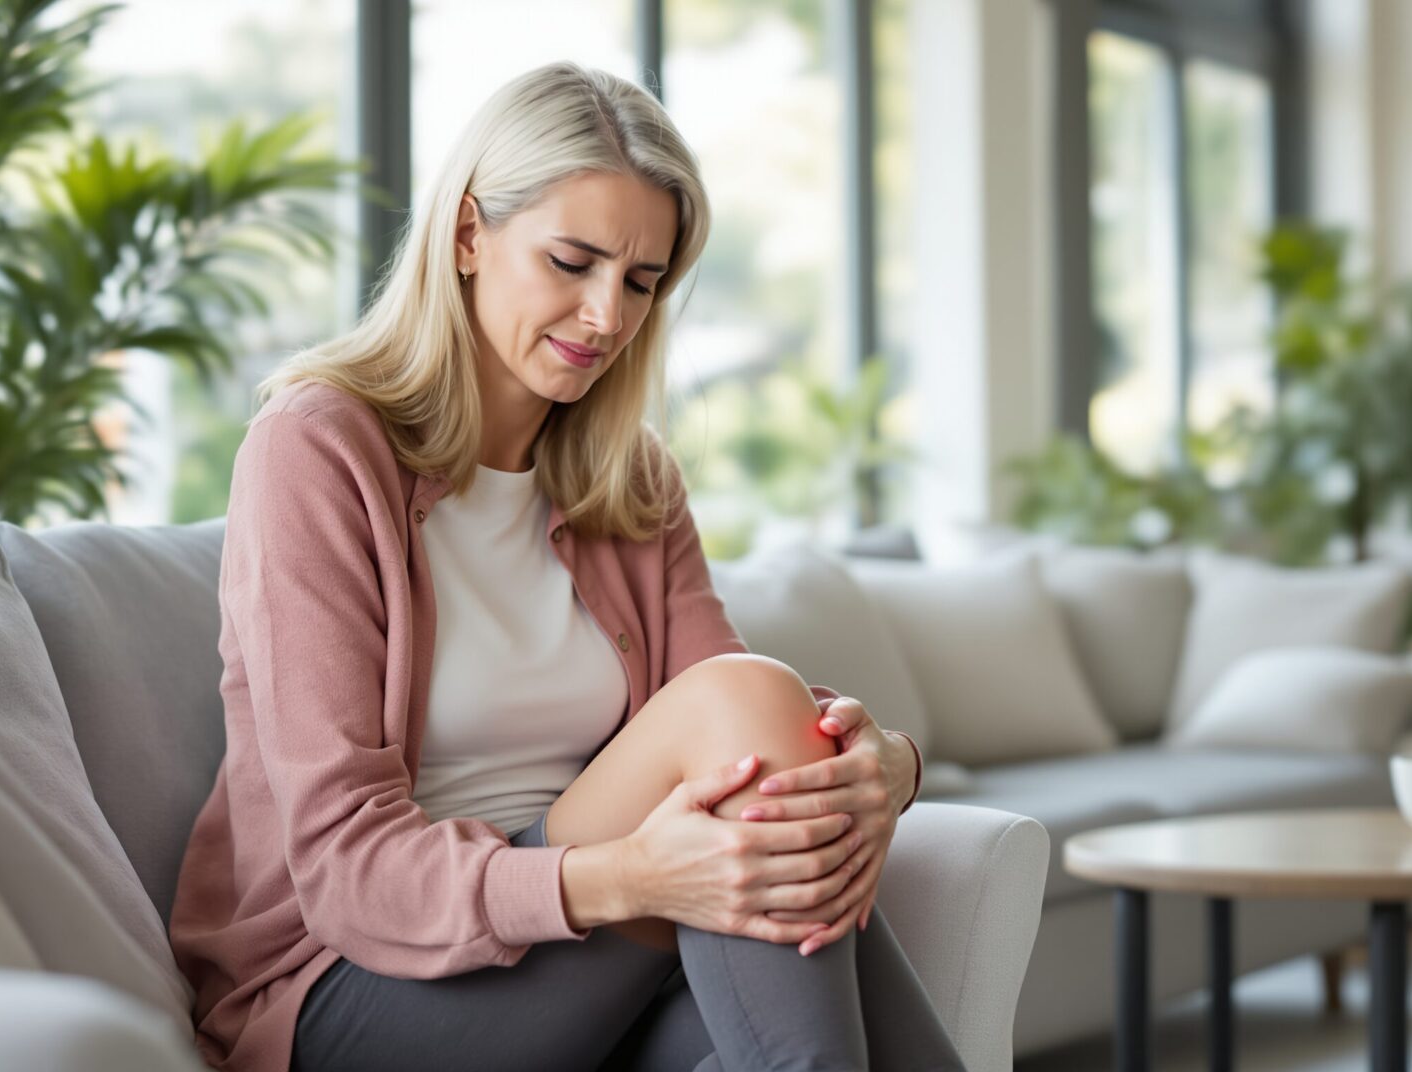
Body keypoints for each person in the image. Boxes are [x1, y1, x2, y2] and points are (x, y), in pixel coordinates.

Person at [167, 61, 966, 1072]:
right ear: (467, 235)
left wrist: (886, 764)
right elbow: (345, 865)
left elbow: (740, 730)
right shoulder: (317, 448)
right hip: (359, 981)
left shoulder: (630, 481)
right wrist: (631, 877)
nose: (606, 317)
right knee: (752, 767)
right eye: (572, 261)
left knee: (759, 777)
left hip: (597, 955)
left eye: (641, 282)